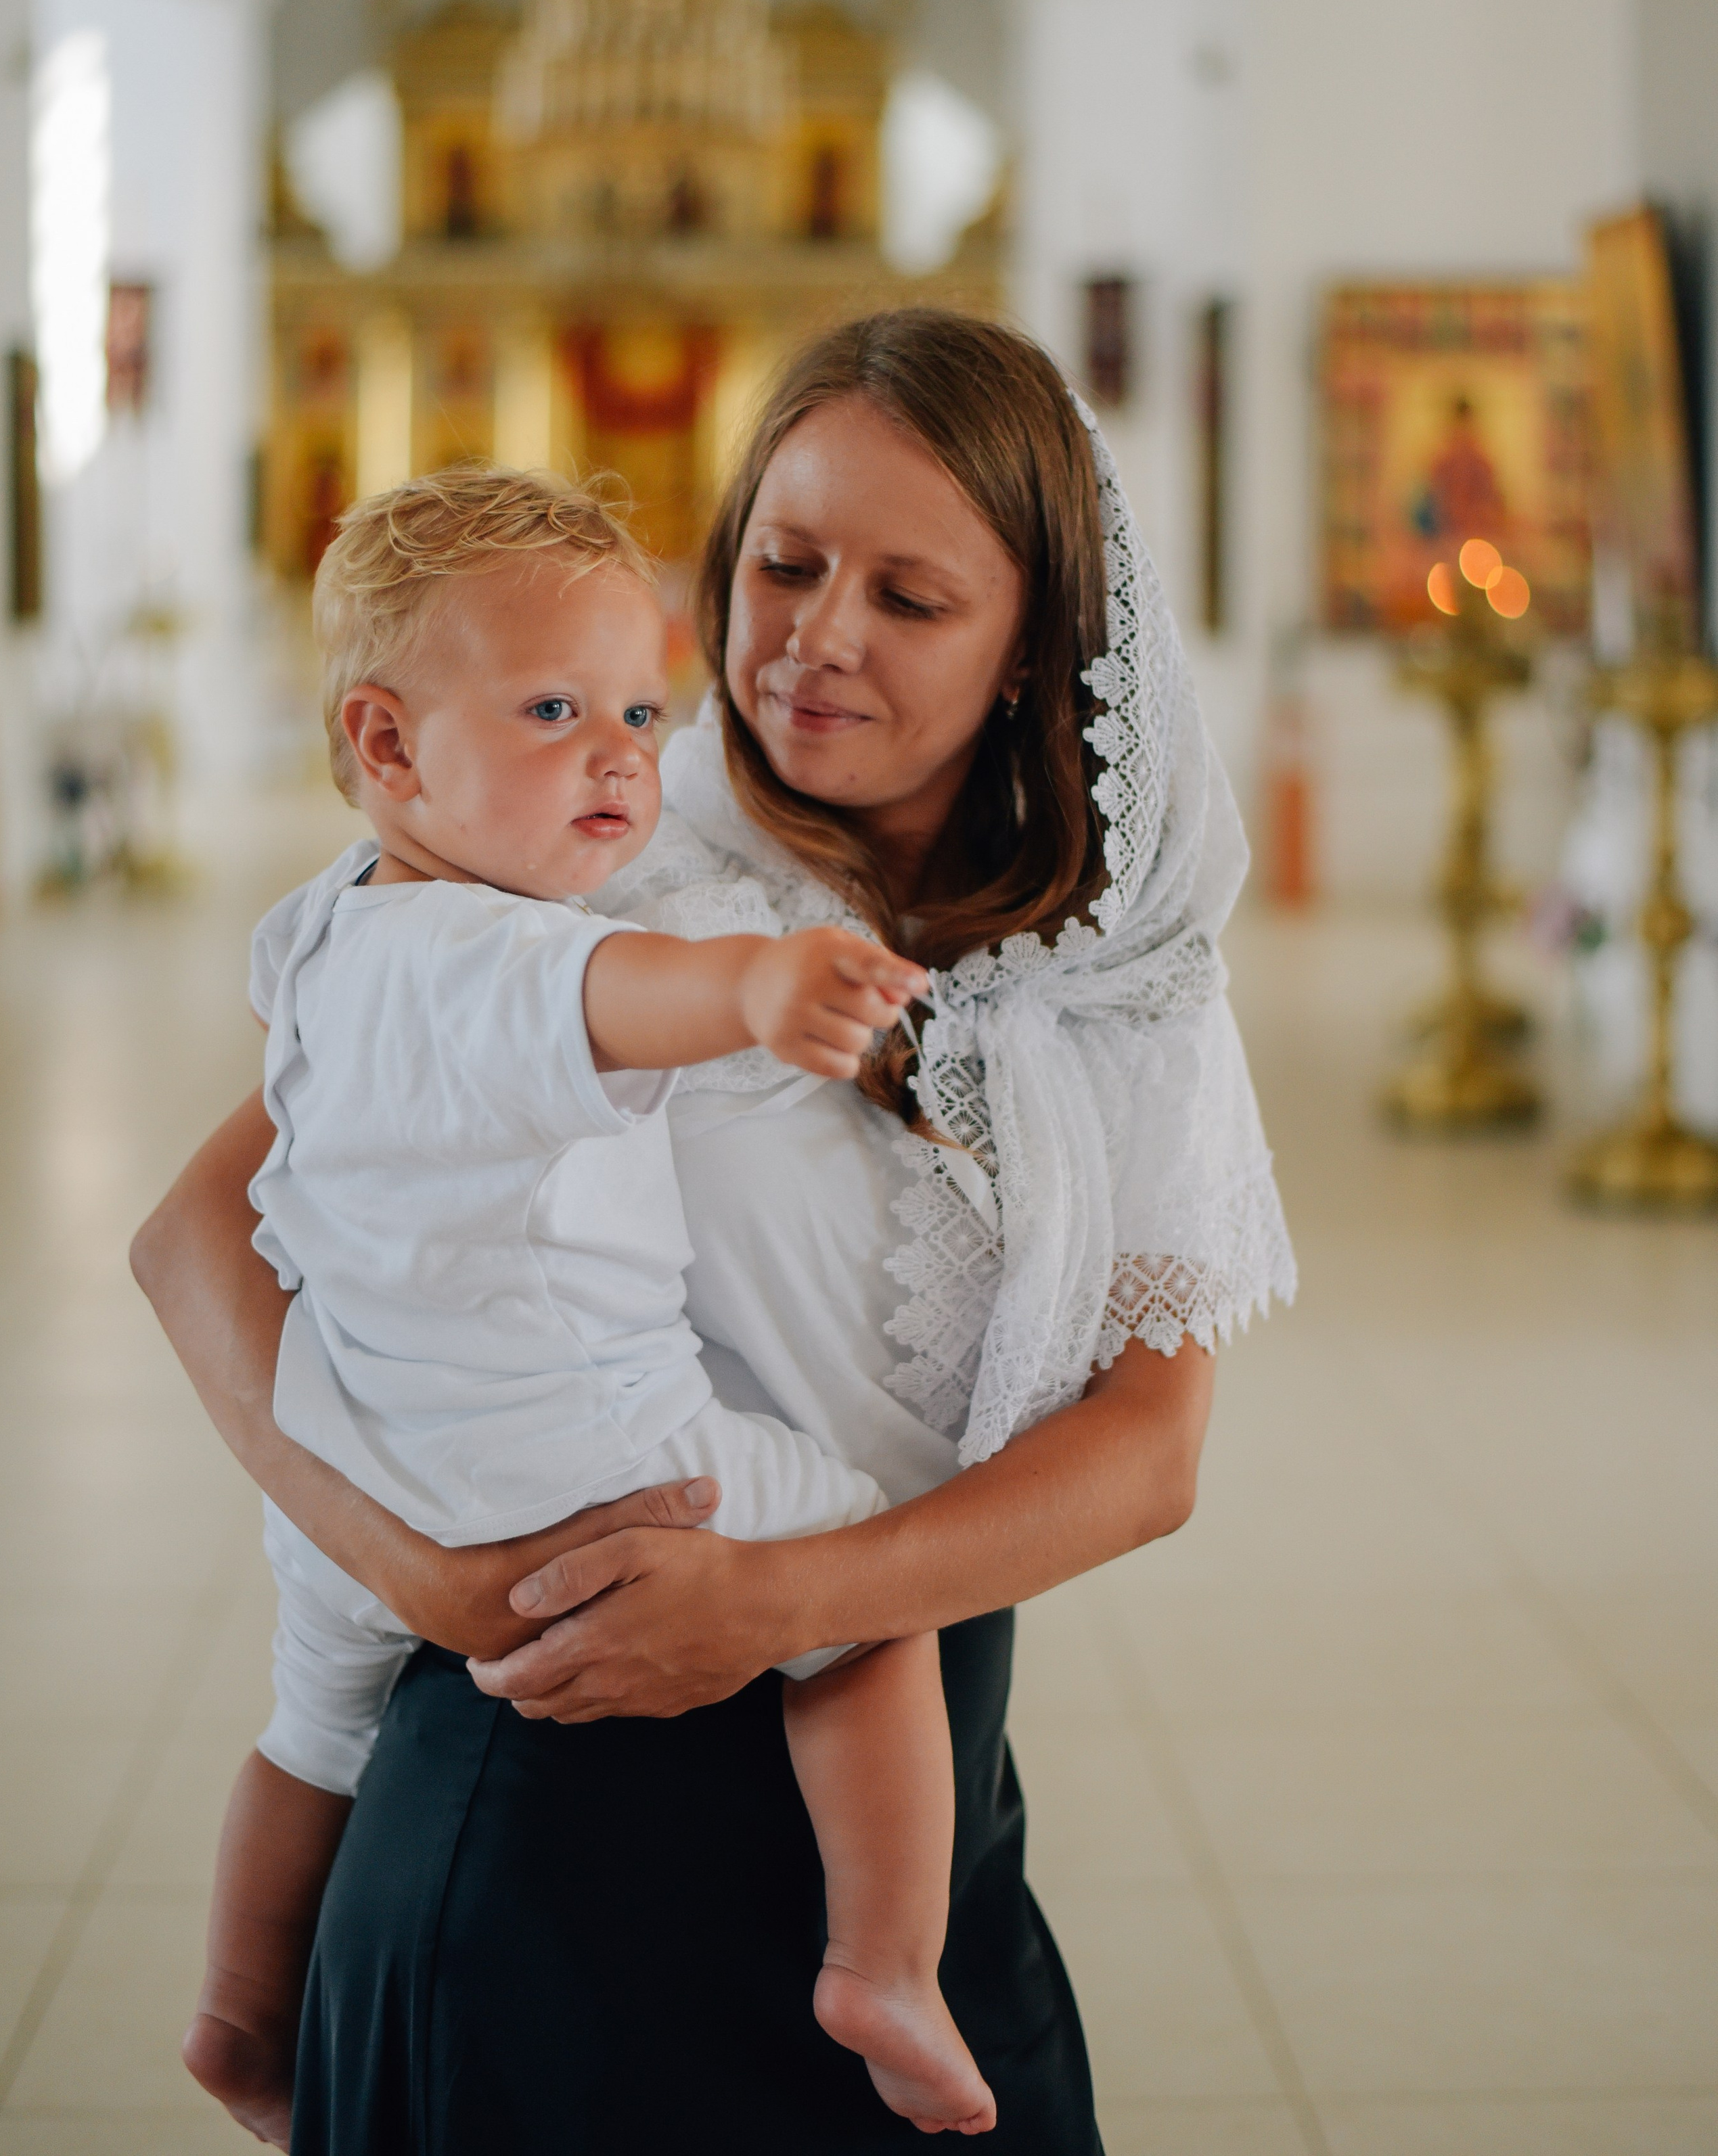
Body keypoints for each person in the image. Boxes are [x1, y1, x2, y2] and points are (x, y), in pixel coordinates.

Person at [133, 307, 1296, 2154]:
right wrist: (421, 1574)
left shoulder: (1118, 985)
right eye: (784, 561)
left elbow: (1150, 1453)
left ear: (1028, 652)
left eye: (911, 599)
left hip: (905, 1796)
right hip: (540, 1790)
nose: (818, 636)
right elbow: (197, 1239)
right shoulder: (595, 848)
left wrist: (782, 1602)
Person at [184, 465, 994, 2146]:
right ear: (390, 748)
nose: (623, 751)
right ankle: (886, 1958)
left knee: (309, 1728)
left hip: (351, 1456)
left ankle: (245, 2019)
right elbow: (630, 991)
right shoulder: (502, 953)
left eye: (639, 703)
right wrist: (763, 981)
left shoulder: (328, 928)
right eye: (553, 709)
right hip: (583, 1456)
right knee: (864, 1569)